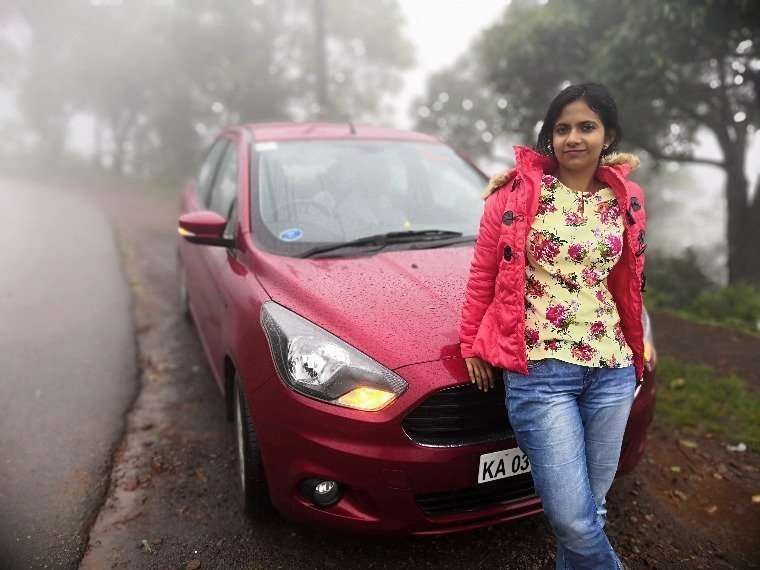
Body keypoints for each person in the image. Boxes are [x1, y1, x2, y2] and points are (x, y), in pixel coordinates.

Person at [459, 83, 647, 569]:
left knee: (592, 510)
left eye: (587, 126)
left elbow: (628, 279)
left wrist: (640, 336)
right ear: (549, 137)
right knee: (572, 517)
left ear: (608, 135)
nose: (574, 138)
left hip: (612, 370)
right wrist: (471, 343)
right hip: (542, 373)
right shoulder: (515, 196)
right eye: (562, 128)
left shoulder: (625, 199)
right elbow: (483, 274)